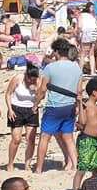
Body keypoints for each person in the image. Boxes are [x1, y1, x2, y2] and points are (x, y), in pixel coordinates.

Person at [34, 39, 82, 173]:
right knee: (68, 137)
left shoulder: (50, 68)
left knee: (45, 137)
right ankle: (75, 165)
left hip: (54, 106)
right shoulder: (76, 67)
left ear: (56, 51)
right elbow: (79, 91)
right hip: (70, 106)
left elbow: (43, 90)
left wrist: (35, 104)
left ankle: (38, 168)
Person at [73, 79, 97, 190]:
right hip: (86, 140)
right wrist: (80, 104)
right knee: (82, 169)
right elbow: (82, 122)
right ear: (93, 93)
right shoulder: (86, 106)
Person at [4, 63, 40, 172]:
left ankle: (27, 164)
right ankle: (10, 163)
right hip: (16, 109)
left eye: (34, 79)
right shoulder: (18, 78)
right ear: (26, 76)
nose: (31, 82)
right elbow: (8, 94)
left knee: (31, 139)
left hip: (31, 110)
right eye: (30, 79)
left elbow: (41, 96)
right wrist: (10, 110)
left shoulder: (38, 81)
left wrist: (36, 90)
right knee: (16, 139)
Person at [78, 3, 97, 74]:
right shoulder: (92, 16)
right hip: (94, 32)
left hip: (86, 32)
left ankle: (80, 71)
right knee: (91, 53)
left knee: (82, 53)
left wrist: (79, 35)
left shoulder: (81, 15)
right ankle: (92, 71)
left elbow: (80, 26)